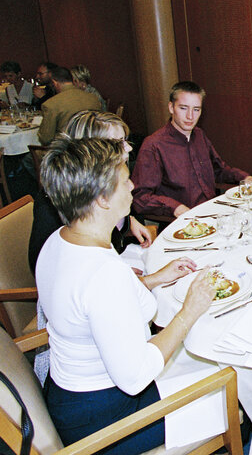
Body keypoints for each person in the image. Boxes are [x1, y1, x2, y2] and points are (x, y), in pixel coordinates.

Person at [37, 136, 216, 452]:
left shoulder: (60, 240)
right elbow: (135, 377)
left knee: (197, 359)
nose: (133, 185)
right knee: (230, 379)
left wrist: (157, 278)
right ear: (102, 199)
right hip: (105, 423)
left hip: (68, 395)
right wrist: (189, 311)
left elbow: (93, 307)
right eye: (124, 180)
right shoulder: (103, 274)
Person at [28, 110, 152, 275]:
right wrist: (110, 274)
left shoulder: (112, 182)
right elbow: (44, 266)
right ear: (89, 149)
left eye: (125, 140)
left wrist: (129, 220)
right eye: (117, 142)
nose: (128, 148)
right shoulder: (55, 201)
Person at [132, 81, 252, 218]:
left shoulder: (199, 135)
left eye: (196, 109)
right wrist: (175, 208)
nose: (190, 116)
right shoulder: (154, 145)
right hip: (183, 223)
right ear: (171, 107)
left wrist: (245, 178)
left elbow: (219, 170)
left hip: (213, 212)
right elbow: (140, 197)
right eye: (183, 108)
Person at [37, 66, 102, 145]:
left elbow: (45, 139)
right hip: (93, 146)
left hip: (68, 151)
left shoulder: (51, 104)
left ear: (54, 83)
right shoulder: (93, 98)